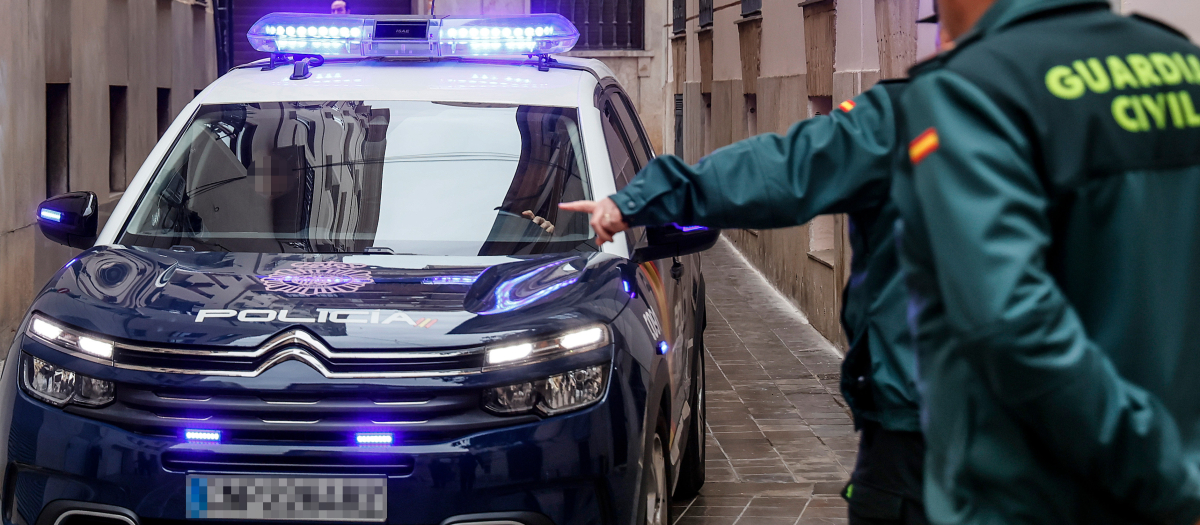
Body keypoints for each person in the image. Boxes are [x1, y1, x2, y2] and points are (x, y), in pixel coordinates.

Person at [562, 59, 935, 525]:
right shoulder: (1043, 104)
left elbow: (778, 169)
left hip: (925, 435)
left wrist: (637, 201)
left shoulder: (916, 114)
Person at [888, 0, 1200, 522]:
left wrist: (1167, 478)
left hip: (1035, 500)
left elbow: (1009, 324)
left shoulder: (971, 91)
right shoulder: (1183, 64)